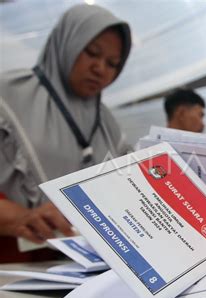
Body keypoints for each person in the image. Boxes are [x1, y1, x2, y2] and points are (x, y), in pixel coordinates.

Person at [0, 4, 132, 248]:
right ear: (66, 43)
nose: (100, 68)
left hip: (89, 268)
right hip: (15, 266)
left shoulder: (107, 124)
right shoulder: (7, 97)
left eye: (112, 63)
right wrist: (21, 217)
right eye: (92, 53)